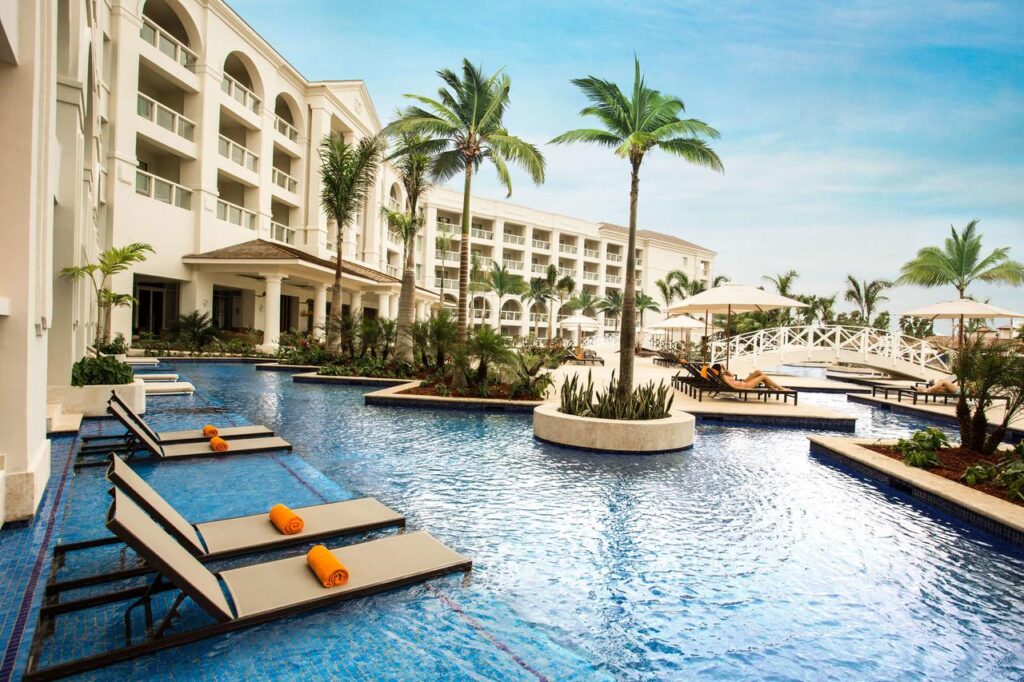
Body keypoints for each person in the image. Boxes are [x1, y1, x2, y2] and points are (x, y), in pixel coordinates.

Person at [712, 364, 786, 391]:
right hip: (746, 385)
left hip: (743, 382)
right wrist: (747, 389)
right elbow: (733, 387)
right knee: (763, 376)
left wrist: (725, 369)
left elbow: (732, 376)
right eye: (721, 368)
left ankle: (770, 387)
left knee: (758, 372)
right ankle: (780, 388)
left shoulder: (723, 375)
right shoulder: (723, 378)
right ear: (719, 370)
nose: (722, 369)